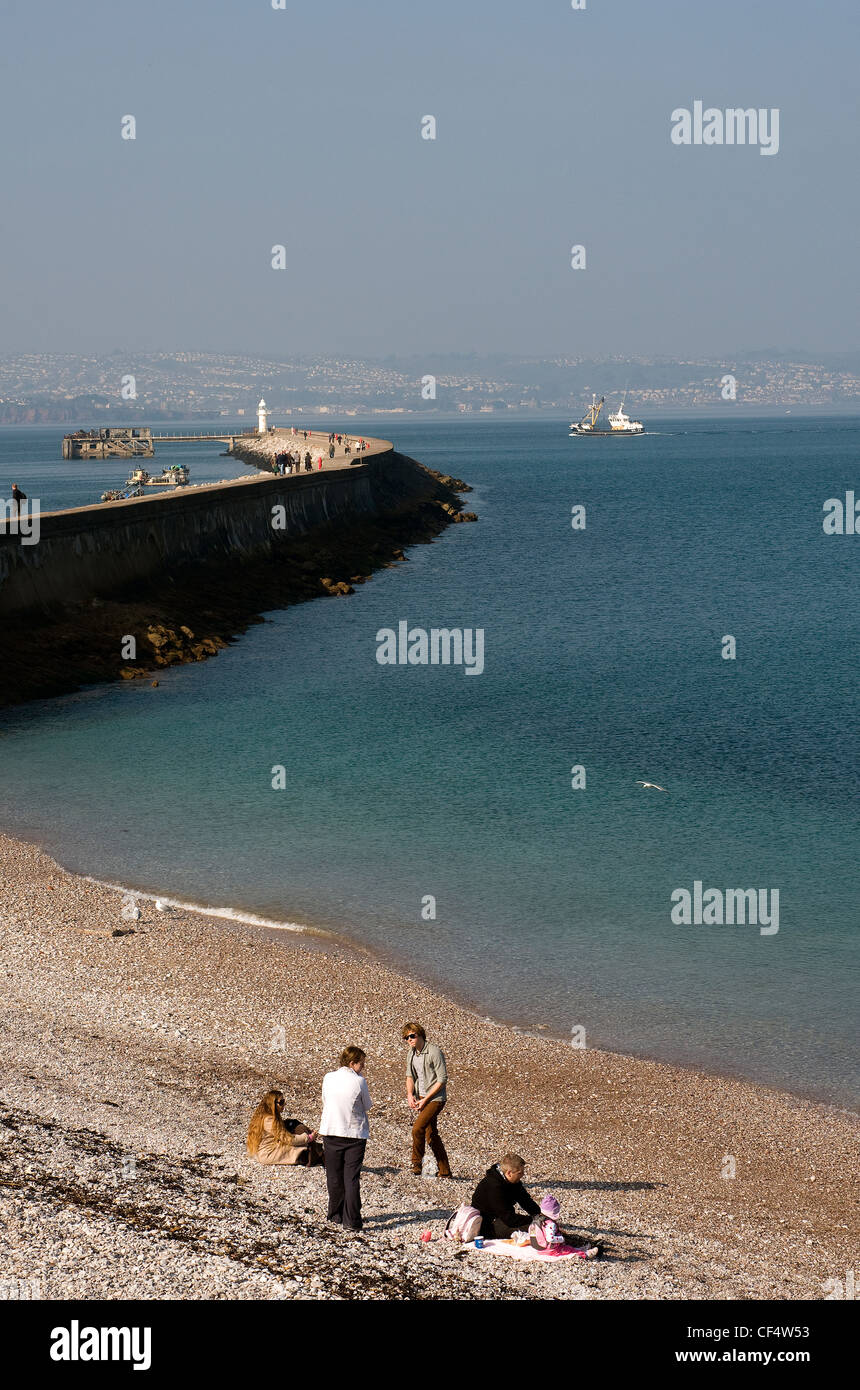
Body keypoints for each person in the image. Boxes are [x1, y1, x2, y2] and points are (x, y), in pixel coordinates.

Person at [319, 1045, 372, 1232]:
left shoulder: (328, 1077)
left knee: (333, 1175)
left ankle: (335, 1214)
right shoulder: (359, 1081)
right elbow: (367, 1105)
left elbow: (326, 1100)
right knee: (351, 1177)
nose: (363, 1068)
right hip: (353, 1134)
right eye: (361, 1064)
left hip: (331, 1130)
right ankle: (352, 1220)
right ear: (352, 1063)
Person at [403, 1022, 451, 1177]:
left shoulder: (434, 1052)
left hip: (436, 1098)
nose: (409, 1039)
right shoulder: (411, 1053)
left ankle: (416, 1165)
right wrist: (410, 1095)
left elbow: (442, 1079)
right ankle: (445, 1171)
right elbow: (409, 1076)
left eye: (412, 1036)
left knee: (418, 1128)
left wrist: (425, 1100)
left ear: (420, 1034)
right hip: (421, 1097)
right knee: (431, 1134)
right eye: (406, 1037)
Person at [471, 1153, 541, 1238]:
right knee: (535, 1228)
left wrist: (539, 1214)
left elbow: (525, 1200)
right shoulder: (494, 1186)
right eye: (520, 1173)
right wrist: (534, 1220)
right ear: (509, 1173)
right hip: (487, 1224)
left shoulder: (513, 1181)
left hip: (502, 1218)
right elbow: (509, 1218)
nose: (522, 1175)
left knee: (540, 1225)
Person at [246, 1089, 323, 1166]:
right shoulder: (270, 1120)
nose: (284, 1105)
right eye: (281, 1102)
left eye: (284, 1101)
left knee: (293, 1124)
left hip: (264, 1151)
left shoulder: (263, 1116)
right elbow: (289, 1139)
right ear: (273, 1104)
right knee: (304, 1151)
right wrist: (309, 1137)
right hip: (269, 1153)